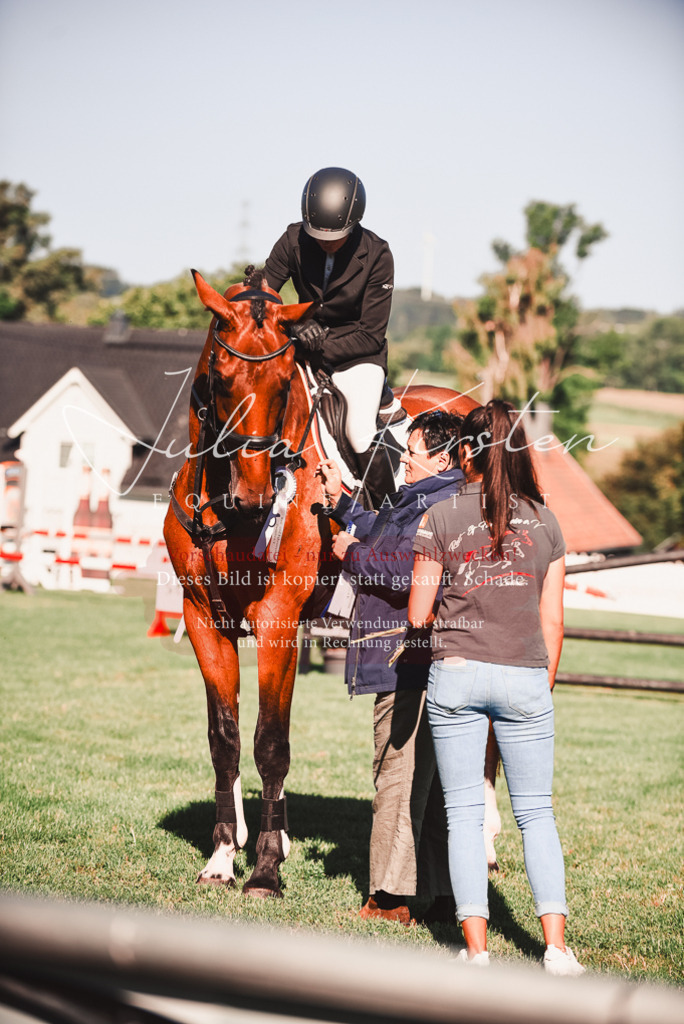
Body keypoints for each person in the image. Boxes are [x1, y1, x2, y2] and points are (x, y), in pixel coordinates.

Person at [408, 399, 585, 974]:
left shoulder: (439, 516)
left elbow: (417, 614)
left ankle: (477, 952)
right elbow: (554, 621)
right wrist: (541, 685)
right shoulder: (548, 522)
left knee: (462, 814)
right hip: (526, 675)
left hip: (456, 673)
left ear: (466, 451)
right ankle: (556, 948)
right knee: (537, 815)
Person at [317, 411, 471, 924]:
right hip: (418, 660)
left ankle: (390, 897)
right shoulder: (433, 498)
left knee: (397, 778)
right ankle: (442, 895)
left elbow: (406, 573)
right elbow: (386, 535)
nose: (403, 459)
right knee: (426, 782)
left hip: (408, 658)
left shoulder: (438, 504)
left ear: (443, 459)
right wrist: (343, 503)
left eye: (413, 451)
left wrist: (351, 554)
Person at [265, 166, 397, 505]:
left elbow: (370, 334)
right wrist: (292, 327)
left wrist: (317, 345)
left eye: (334, 237)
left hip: (357, 357)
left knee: (359, 432)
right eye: (317, 236)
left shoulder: (378, 254)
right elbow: (264, 298)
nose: (324, 244)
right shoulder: (293, 239)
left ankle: (390, 518)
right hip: (300, 345)